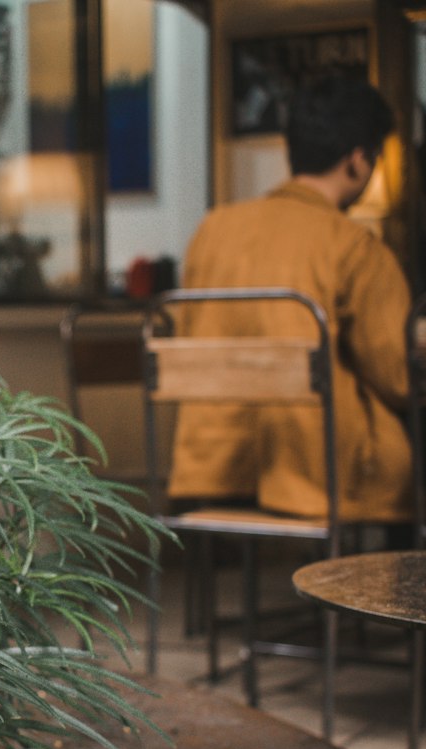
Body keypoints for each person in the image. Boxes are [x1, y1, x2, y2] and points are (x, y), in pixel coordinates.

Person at [168, 75, 413, 524]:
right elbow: (397, 377)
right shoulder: (354, 246)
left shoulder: (213, 229)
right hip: (319, 479)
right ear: (359, 160)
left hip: (213, 468)